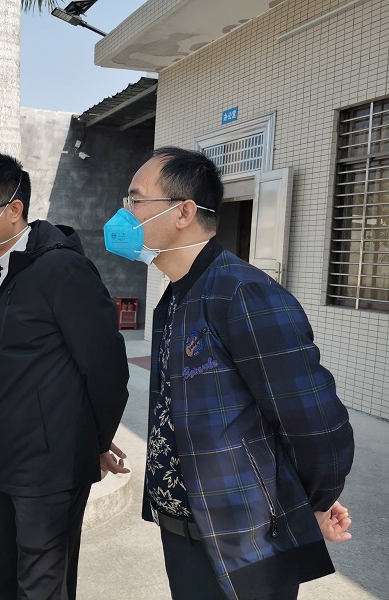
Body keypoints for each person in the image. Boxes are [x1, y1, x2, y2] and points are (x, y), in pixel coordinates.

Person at [103, 147, 355, 600]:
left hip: (244, 542)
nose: (125, 213)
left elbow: (318, 424)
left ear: (183, 212)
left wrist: (307, 503)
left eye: (135, 200)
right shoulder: (177, 295)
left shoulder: (243, 293)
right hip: (185, 531)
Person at [0, 153, 130, 600]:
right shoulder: (6, 272)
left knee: (42, 589)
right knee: (11, 582)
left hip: (50, 472)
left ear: (14, 209)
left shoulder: (61, 269)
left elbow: (107, 368)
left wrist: (94, 442)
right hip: (7, 466)